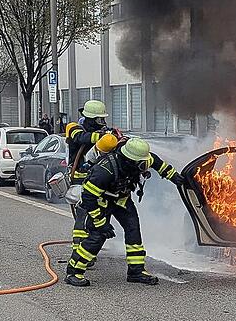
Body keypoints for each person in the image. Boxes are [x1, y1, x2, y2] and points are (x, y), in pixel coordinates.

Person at [65, 137, 186, 287]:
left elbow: (159, 164)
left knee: (133, 230)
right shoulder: (104, 171)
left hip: (122, 199)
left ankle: (136, 271)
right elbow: (88, 198)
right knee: (97, 236)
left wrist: (175, 177)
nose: (145, 166)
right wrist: (101, 222)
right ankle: (73, 272)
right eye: (141, 164)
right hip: (100, 202)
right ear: (129, 160)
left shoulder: (142, 159)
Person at [65, 100, 112, 254]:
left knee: (96, 215)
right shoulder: (74, 128)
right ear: (91, 118)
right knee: (83, 214)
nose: (102, 123)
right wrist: (102, 136)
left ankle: (89, 248)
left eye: (103, 120)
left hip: (96, 179)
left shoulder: (100, 133)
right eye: (100, 120)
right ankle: (78, 251)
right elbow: (81, 138)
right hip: (79, 178)